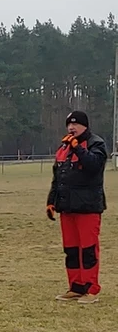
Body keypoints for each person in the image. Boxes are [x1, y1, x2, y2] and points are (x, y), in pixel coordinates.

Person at [46, 110, 108, 304]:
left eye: (76, 124)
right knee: (71, 250)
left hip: (88, 207)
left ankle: (91, 290)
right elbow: (58, 177)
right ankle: (76, 287)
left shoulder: (95, 144)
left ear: (85, 126)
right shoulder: (63, 147)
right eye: (69, 125)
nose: (71, 128)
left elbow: (94, 166)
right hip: (67, 207)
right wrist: (51, 201)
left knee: (88, 250)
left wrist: (78, 149)